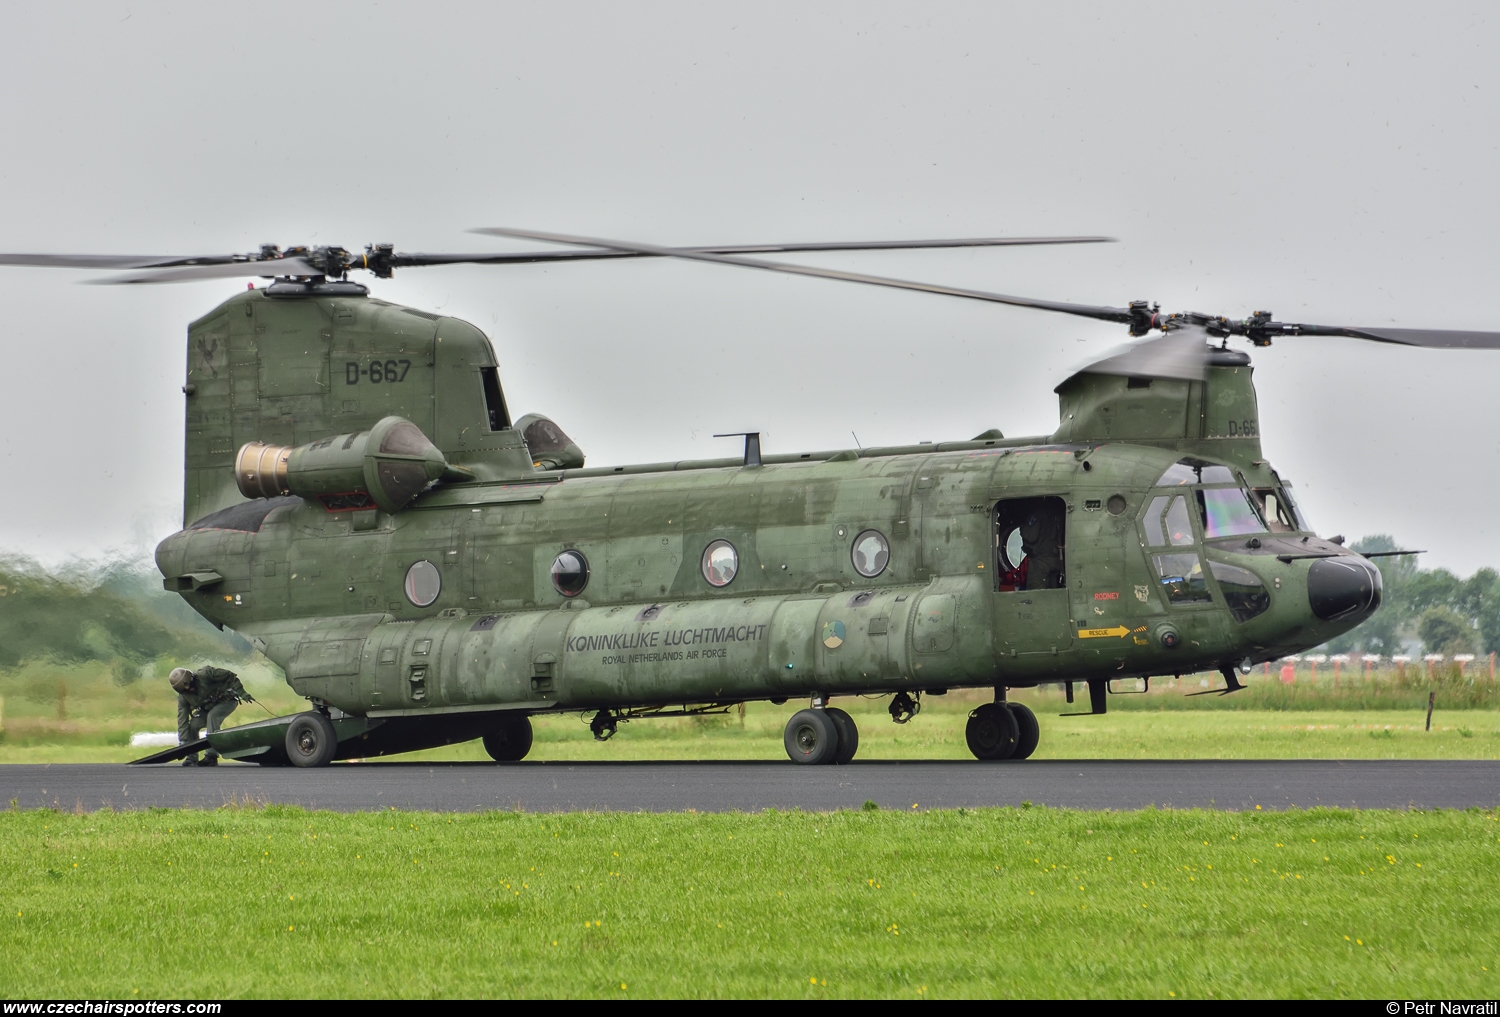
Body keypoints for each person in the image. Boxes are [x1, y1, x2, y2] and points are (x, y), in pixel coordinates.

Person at [170, 666, 253, 767]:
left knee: (212, 716)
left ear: (192, 679)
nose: (190, 689)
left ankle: (211, 756)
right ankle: (191, 757)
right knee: (193, 725)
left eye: (191, 686)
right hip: (207, 707)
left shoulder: (206, 674)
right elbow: (182, 719)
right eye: (186, 690)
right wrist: (183, 742)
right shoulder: (183, 698)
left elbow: (230, 676)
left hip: (227, 701)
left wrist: (242, 692)